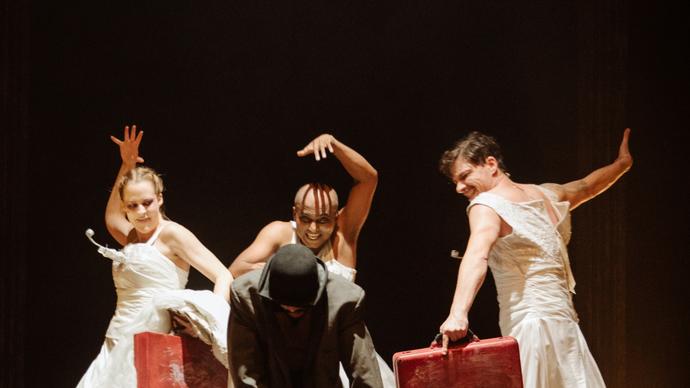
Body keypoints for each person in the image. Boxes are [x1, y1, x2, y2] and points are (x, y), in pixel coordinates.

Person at [437, 128, 633, 388]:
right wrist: (621, 165)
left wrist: (458, 313)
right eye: (455, 182)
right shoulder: (545, 194)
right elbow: (587, 186)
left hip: (534, 328)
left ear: (491, 164)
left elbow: (477, 254)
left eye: (464, 176)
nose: (460, 187)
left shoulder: (486, 205)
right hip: (563, 327)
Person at [228, 133, 395, 386]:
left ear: (336, 218)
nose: (314, 229)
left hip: (331, 353)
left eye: (323, 221)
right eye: (306, 219)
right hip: (283, 351)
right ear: (295, 213)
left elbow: (368, 179)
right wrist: (288, 275)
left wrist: (335, 145)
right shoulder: (280, 232)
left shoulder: (343, 236)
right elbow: (238, 270)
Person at [77, 125, 233, 387]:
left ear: (160, 199)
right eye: (132, 205)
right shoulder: (131, 236)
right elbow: (112, 217)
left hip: (155, 338)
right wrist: (126, 164)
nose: (141, 211)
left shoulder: (172, 234)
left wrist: (207, 323)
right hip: (117, 337)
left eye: (147, 202)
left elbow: (223, 275)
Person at [228, 243, 384, 388]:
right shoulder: (246, 297)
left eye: (300, 310)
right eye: (284, 308)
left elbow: (365, 375)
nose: (292, 312)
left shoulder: (344, 300)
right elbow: (246, 376)